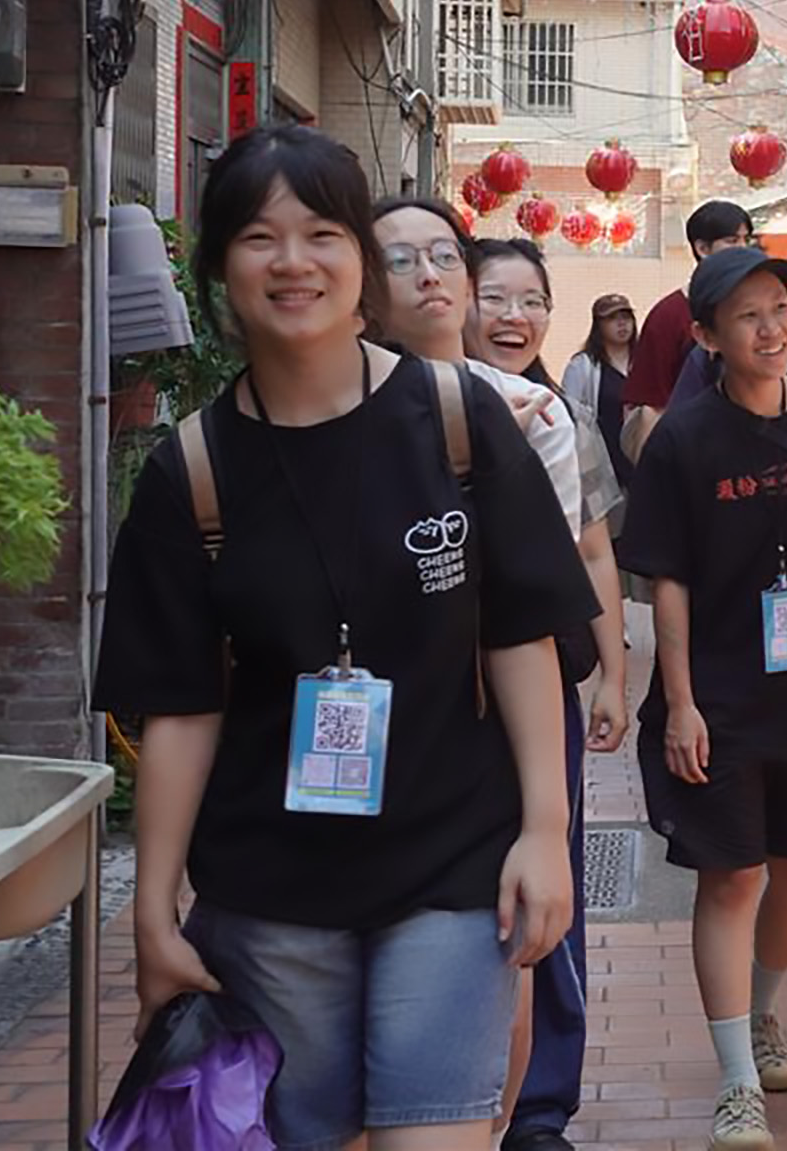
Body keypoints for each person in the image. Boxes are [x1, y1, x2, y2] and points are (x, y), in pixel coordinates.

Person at [97, 125, 587, 1151]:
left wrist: (546, 831)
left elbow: (522, 639)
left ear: (360, 261)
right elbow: (185, 706)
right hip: (271, 895)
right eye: (259, 237)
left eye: (321, 232)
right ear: (219, 268)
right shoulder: (190, 471)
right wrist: (152, 911)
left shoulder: (457, 420)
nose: (292, 262)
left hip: (454, 866)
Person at [369, 200, 619, 1137]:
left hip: (496, 697)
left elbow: (549, 576)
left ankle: (529, 1116)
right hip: (375, 723)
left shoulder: (525, 412)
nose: (433, 277)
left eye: (446, 257)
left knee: (514, 927)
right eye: (404, 259)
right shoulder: (304, 410)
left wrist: (613, 684)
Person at [620, 246, 787, 1151]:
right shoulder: (683, 438)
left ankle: (763, 1017)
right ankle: (735, 1081)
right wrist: (678, 702)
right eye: (749, 316)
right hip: (721, 694)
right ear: (708, 336)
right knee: (733, 877)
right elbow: (667, 581)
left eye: (782, 310)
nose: (772, 329)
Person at [467, 236, 632, 1151]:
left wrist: (613, 668)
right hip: (446, 689)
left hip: (543, 685)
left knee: (552, 878)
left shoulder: (564, 417)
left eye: (531, 300)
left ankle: (539, 1108)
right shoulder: (425, 407)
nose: (513, 317)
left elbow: (593, 548)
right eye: (495, 296)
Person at [622, 199, 754, 458]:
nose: (743, 249)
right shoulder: (668, 316)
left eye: (746, 239)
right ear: (702, 248)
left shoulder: (752, 308)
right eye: (732, 241)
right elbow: (653, 407)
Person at [562, 292, 638, 488]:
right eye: (612, 318)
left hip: (641, 464)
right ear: (598, 325)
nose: (622, 324)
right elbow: (571, 415)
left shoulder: (644, 362)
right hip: (604, 468)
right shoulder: (583, 366)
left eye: (626, 317)